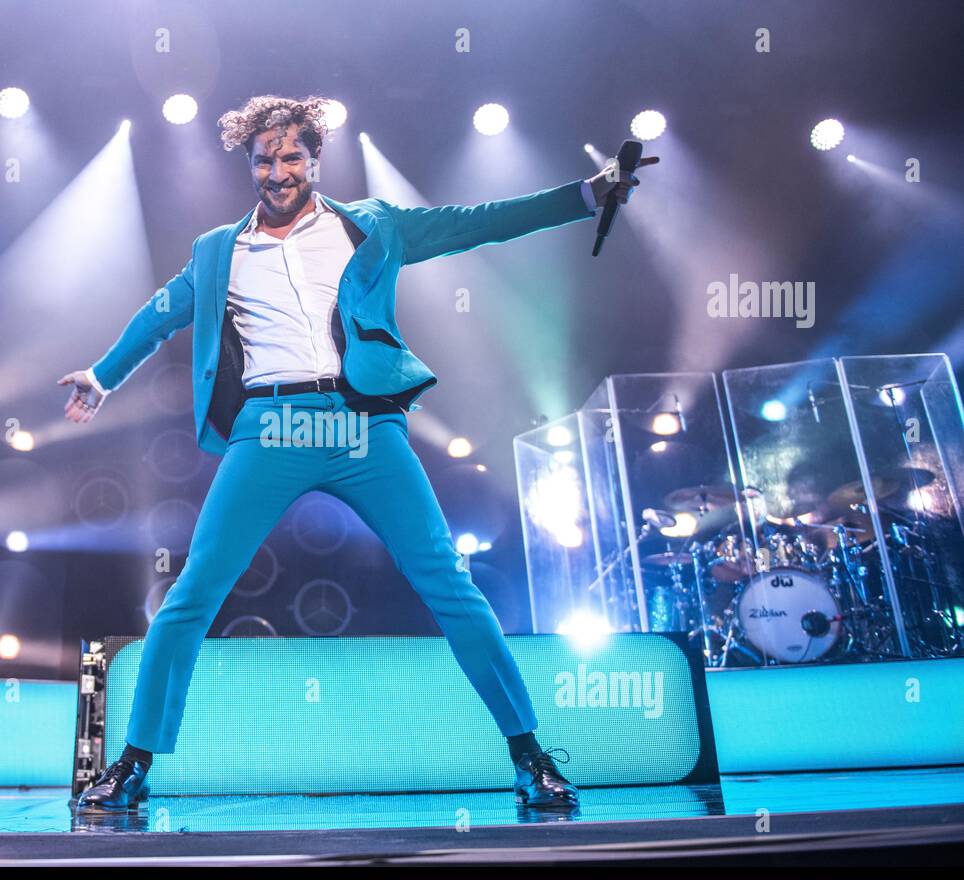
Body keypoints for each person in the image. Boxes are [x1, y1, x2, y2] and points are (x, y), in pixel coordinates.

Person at [58, 95, 657, 813]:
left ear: (313, 158)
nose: (277, 171)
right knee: (192, 594)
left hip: (361, 420)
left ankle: (530, 757)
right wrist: (101, 375)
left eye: (290, 157)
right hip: (270, 427)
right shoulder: (220, 249)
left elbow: (475, 224)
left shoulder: (370, 225)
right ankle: (133, 764)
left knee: (447, 580)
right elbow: (158, 316)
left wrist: (586, 196)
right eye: (264, 160)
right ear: (249, 165)